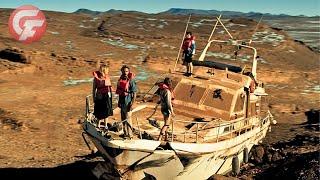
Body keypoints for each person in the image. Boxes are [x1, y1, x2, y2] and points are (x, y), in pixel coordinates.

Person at [116, 65, 137, 139]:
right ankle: (125, 134)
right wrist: (119, 102)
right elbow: (120, 92)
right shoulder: (120, 80)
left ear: (129, 72)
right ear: (121, 71)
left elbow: (134, 93)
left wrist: (132, 103)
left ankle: (130, 135)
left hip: (128, 102)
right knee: (123, 119)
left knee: (128, 119)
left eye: (127, 71)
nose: (125, 73)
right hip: (122, 102)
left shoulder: (131, 81)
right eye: (124, 71)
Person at [92, 64, 113, 129]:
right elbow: (94, 89)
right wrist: (94, 98)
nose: (107, 71)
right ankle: (98, 125)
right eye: (107, 70)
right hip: (99, 97)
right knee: (99, 111)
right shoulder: (96, 78)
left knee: (106, 111)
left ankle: (105, 125)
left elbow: (109, 87)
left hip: (107, 96)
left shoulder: (107, 77)